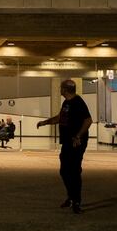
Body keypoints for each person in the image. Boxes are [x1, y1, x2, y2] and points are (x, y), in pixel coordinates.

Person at [36, 79, 92, 214]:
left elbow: (88, 120)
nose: (59, 90)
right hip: (67, 142)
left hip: (76, 142)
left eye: (61, 88)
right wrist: (45, 122)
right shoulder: (67, 102)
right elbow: (60, 118)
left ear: (65, 90)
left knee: (74, 171)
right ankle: (71, 197)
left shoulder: (78, 102)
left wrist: (78, 136)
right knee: (64, 171)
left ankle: (76, 201)